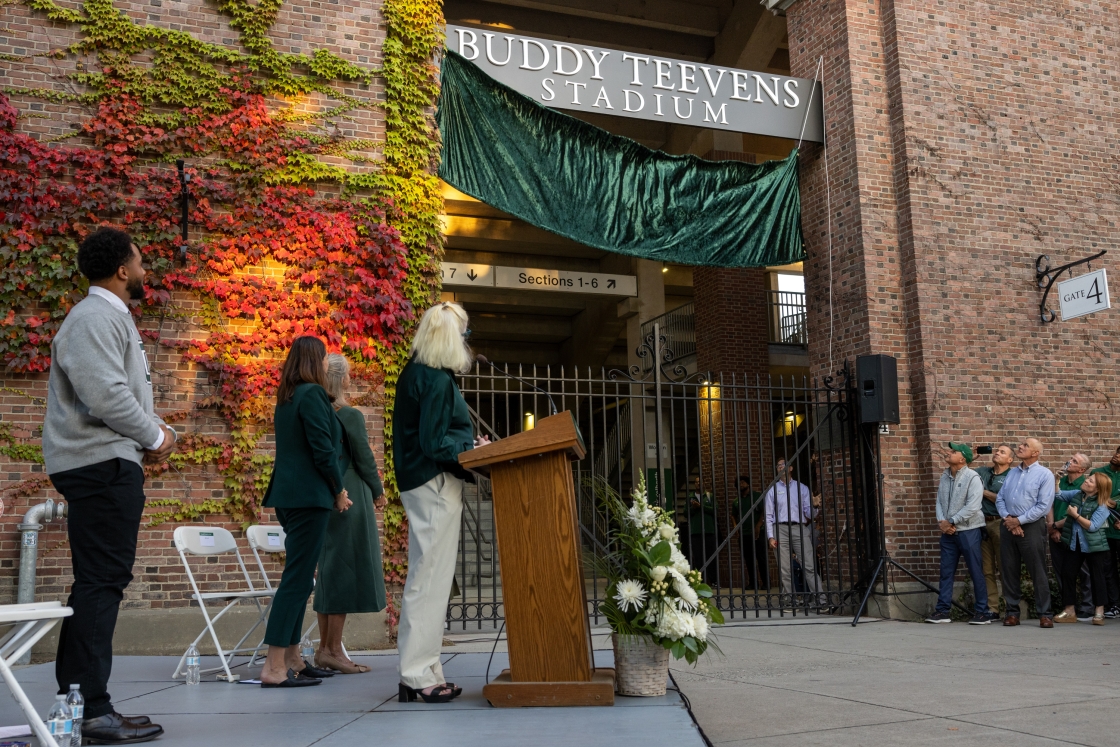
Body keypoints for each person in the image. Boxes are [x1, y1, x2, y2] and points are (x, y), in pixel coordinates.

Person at [42, 227, 172, 743]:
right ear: (122, 269)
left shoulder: (108, 318)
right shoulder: (93, 317)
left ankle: (83, 703)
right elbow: (106, 397)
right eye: (139, 262)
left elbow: (123, 395)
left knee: (97, 583)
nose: (144, 271)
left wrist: (162, 429)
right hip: (99, 466)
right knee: (101, 583)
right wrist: (154, 437)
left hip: (107, 463)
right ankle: (91, 709)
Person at [393, 302, 488, 703]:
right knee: (429, 580)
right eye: (464, 334)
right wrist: (472, 446)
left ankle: (426, 668)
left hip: (424, 482)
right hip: (433, 484)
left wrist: (467, 445)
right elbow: (435, 442)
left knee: (429, 578)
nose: (467, 342)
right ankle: (417, 674)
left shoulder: (420, 373)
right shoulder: (433, 379)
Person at [259, 336, 351, 687]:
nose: (329, 363)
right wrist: (338, 491)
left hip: (291, 496)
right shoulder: (312, 394)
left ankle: (293, 658)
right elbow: (323, 450)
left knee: (300, 579)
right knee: (296, 581)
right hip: (308, 497)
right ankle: (274, 667)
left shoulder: (289, 395)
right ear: (315, 360)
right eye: (325, 357)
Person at [313, 354, 387, 674]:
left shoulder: (315, 413)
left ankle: (325, 649)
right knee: (342, 571)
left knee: (329, 571)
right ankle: (333, 652)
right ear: (343, 380)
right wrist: (379, 490)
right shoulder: (350, 415)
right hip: (350, 495)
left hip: (322, 496)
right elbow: (365, 458)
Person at [925, 443, 993, 624]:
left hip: (969, 531)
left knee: (976, 570)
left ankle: (982, 612)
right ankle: (943, 611)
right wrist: (942, 523)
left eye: (953, 451)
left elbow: (973, 506)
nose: (948, 453)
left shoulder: (973, 477)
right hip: (948, 532)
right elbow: (939, 501)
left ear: (962, 458)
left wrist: (952, 521)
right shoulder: (945, 476)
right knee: (946, 572)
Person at [995, 438, 1055, 627]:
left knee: (1038, 570)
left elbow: (1043, 506)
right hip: (1008, 524)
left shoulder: (1044, 474)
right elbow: (1000, 499)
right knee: (1009, 570)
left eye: (1025, 445)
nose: (1020, 447)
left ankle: (1045, 613)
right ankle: (1012, 612)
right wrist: (1008, 519)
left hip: (1031, 526)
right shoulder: (1012, 473)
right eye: (1021, 444)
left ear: (1036, 453)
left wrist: (1019, 521)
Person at [1052, 472, 1114, 625]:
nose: (1086, 481)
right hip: (1075, 543)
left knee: (1097, 577)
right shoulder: (1077, 494)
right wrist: (1057, 479)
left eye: (1090, 481)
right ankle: (1069, 610)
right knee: (1067, 573)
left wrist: (1075, 515)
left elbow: (1092, 527)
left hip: (1095, 546)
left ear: (1098, 488)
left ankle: (1099, 611)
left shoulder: (1103, 505)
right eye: (1088, 478)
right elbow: (1058, 495)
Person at [765, 458, 823, 607]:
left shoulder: (802, 488)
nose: (780, 467)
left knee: (809, 564)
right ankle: (790, 601)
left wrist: (815, 506)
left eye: (783, 465)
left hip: (799, 527)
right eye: (778, 466)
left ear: (790, 468)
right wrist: (770, 536)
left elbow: (809, 514)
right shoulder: (772, 490)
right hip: (780, 529)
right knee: (784, 568)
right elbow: (768, 515)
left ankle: (821, 599)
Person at [1048, 453, 1094, 621]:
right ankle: (1068, 606)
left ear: (1082, 469)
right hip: (1055, 531)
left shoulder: (1086, 485)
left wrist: (1056, 526)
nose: (1069, 462)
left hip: (1074, 533)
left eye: (1074, 461)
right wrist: (1052, 528)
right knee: (1062, 572)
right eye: (1071, 458)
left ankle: (1087, 606)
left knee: (1084, 572)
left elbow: (1078, 512)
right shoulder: (1059, 482)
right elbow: (1050, 502)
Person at [975, 444, 1012, 615]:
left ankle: (1010, 607)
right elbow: (962, 476)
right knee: (987, 568)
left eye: (1002, 452)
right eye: (997, 450)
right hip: (982, 523)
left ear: (1010, 460)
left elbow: (1007, 500)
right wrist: (970, 458)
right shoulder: (983, 471)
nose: (997, 452)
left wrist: (983, 492)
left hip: (1000, 523)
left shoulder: (1012, 475)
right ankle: (992, 608)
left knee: (1005, 566)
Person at [1091, 446, 1120, 618]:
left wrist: (1116, 504)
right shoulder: (1098, 473)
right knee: (1107, 570)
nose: (1117, 455)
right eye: (1117, 451)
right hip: (1104, 532)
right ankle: (1114, 605)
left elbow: (1111, 502)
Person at [734, 476, 767, 590]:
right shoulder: (736, 501)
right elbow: (733, 515)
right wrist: (735, 527)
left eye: (743, 482)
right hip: (744, 533)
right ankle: (753, 582)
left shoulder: (756, 496)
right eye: (739, 483)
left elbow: (764, 511)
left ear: (748, 484)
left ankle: (766, 582)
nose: (741, 484)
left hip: (758, 532)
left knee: (761, 557)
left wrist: (758, 525)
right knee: (749, 559)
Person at [688, 475, 717, 584]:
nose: (698, 484)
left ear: (704, 483)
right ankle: (700, 581)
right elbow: (686, 513)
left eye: (700, 482)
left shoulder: (709, 496)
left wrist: (701, 506)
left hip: (709, 531)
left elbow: (715, 510)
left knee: (711, 556)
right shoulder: (690, 497)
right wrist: (693, 508)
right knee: (698, 557)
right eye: (696, 482)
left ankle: (713, 581)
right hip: (696, 532)